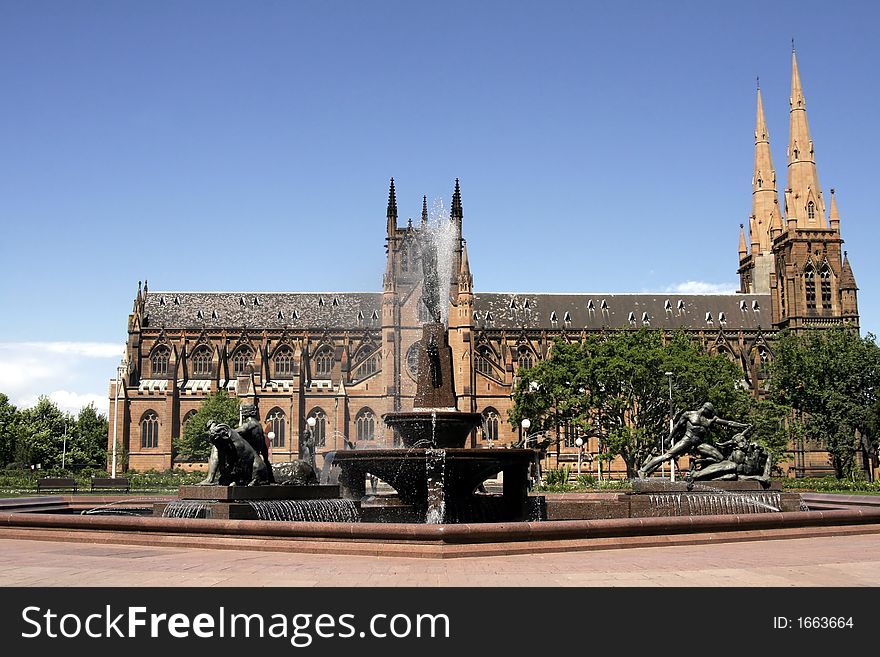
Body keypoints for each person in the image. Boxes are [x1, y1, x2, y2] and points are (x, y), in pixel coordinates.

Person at [637, 402, 750, 479]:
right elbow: (677, 426)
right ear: (705, 409)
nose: (710, 414)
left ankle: (699, 467)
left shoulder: (710, 419)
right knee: (668, 456)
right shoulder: (689, 414)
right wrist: (669, 438)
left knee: (719, 458)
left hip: (699, 443)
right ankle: (644, 470)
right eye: (709, 412)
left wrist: (743, 426)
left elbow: (728, 423)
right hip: (687, 439)